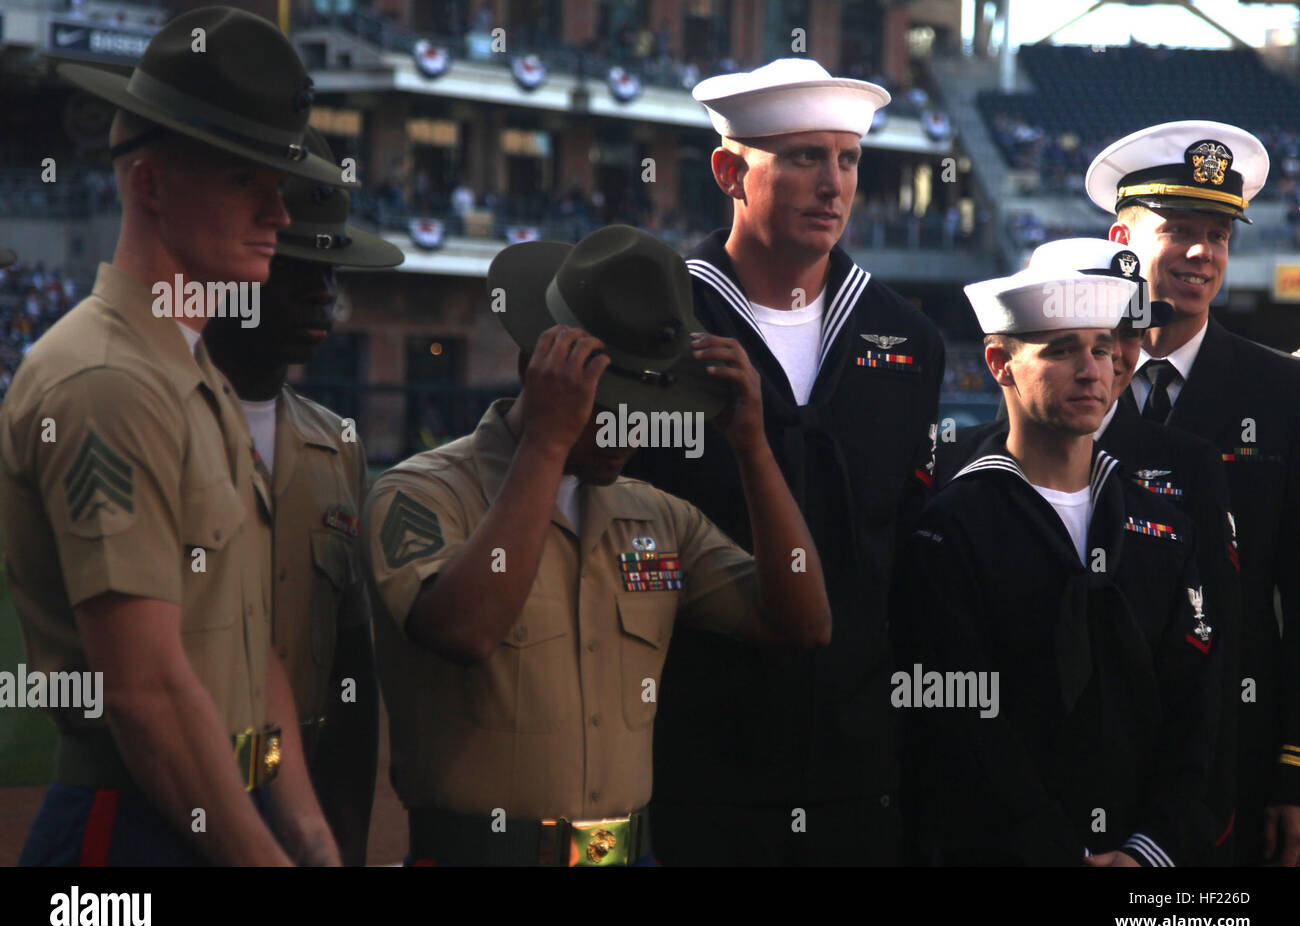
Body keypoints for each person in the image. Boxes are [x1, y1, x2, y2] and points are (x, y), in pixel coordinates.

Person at [0, 6, 351, 866]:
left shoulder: (190, 372)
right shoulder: (108, 380)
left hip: (227, 806)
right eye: (245, 178)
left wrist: (306, 834)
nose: (278, 208)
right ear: (150, 184)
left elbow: (248, 637)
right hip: (138, 830)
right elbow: (145, 690)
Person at [362, 225, 832, 866]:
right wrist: (547, 445)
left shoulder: (658, 518)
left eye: (644, 403)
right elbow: (465, 630)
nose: (626, 426)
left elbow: (803, 622)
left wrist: (753, 448)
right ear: (536, 366)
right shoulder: (420, 494)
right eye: (608, 400)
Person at [624, 57, 944, 864]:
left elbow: (907, 559)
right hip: (687, 759)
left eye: (847, 159)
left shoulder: (908, 340)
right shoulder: (655, 322)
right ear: (730, 171)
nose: (833, 184)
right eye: (804, 156)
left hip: (860, 767)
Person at [894, 256, 1223, 866]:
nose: (1092, 371)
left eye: (1102, 349)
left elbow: (1195, 710)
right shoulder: (952, 526)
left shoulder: (1166, 531)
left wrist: (1148, 849)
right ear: (1000, 364)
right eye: (1062, 351)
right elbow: (960, 725)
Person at [1089, 120, 1300, 866]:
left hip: (1237, 758)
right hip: (1095, 747)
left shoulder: (1281, 390)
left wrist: (1293, 769)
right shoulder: (1063, 379)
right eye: (1179, 229)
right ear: (1122, 235)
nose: (1202, 253)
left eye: (1218, 235)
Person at [202, 127, 403, 866]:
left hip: (301, 790)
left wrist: (344, 832)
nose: (326, 291)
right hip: (177, 790)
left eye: (332, 272)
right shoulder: (160, 418)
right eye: (300, 271)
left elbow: (352, 661)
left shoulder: (336, 447)